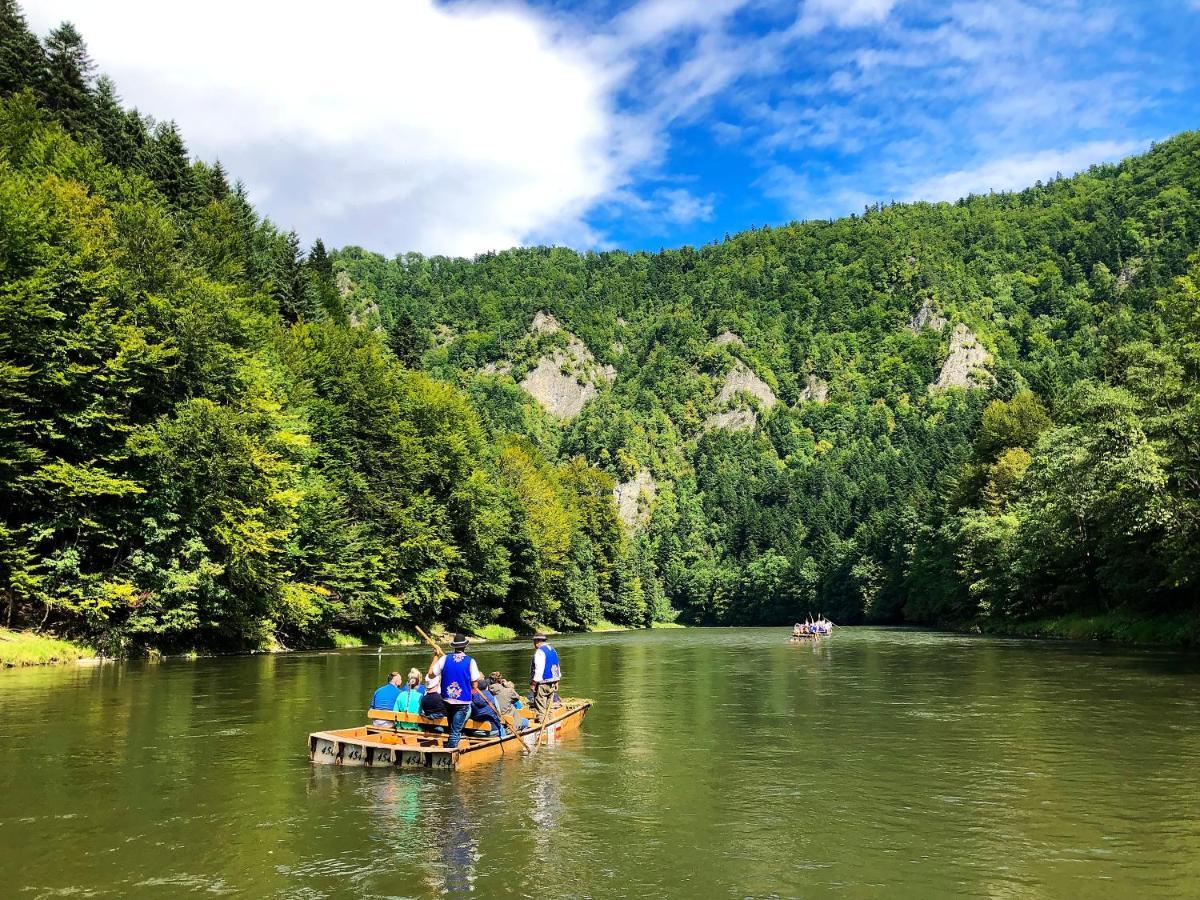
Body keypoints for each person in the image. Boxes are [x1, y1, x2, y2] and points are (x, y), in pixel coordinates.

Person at [429, 634, 482, 748]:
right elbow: (475, 684)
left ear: (454, 647)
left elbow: (431, 674)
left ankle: (449, 746)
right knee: (455, 731)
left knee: (451, 728)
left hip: (446, 699)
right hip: (462, 701)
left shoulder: (444, 659)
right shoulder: (470, 661)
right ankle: (449, 753)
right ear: (465, 647)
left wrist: (435, 656)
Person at [529, 633, 561, 723]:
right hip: (553, 682)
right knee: (549, 706)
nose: (534, 644)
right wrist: (557, 680)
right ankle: (552, 723)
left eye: (534, 641)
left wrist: (534, 683)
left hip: (542, 683)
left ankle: (542, 725)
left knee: (540, 707)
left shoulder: (540, 651)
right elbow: (557, 666)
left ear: (537, 641)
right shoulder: (553, 650)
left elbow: (539, 669)